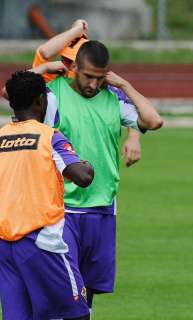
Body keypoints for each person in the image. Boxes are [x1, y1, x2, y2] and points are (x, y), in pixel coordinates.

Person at [31, 40, 163, 309]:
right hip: (62, 209)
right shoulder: (53, 95)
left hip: (103, 208)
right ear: (75, 68)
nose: (92, 84)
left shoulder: (114, 99)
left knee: (88, 291)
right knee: (64, 289)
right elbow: (11, 92)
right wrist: (44, 67)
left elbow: (154, 120)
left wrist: (123, 84)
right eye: (88, 76)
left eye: (99, 78)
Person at [0, 71, 94, 319]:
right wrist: (87, 164)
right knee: (77, 312)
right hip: (41, 242)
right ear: (41, 101)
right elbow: (83, 176)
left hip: (4, 245)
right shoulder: (49, 137)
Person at [32, 18, 142, 167]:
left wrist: (133, 138)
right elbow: (44, 52)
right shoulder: (50, 77)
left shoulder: (96, 81)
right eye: (66, 60)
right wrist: (76, 30)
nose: (69, 66)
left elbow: (125, 107)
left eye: (71, 61)